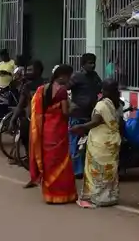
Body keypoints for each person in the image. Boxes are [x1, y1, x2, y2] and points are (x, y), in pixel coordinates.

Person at [28, 64, 77, 204]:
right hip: (58, 130)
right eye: (68, 77)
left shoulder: (43, 89)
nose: (69, 80)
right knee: (61, 161)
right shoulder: (62, 91)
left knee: (49, 161)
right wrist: (73, 108)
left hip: (46, 129)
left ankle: (49, 194)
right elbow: (65, 112)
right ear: (62, 76)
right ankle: (62, 194)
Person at [71, 79, 124, 208]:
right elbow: (121, 123)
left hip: (99, 141)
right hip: (113, 141)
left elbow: (95, 121)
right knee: (110, 171)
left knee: (97, 170)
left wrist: (81, 127)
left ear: (104, 90)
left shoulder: (102, 105)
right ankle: (110, 197)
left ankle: (97, 197)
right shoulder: (119, 104)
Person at [68, 53, 102, 178]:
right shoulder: (76, 76)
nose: (92, 65)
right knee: (75, 144)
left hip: (91, 115)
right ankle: (77, 171)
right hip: (77, 115)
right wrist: (69, 103)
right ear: (83, 64)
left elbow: (101, 89)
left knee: (91, 143)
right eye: (89, 63)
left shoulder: (95, 76)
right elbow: (63, 89)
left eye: (93, 63)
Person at [9, 60, 45, 171]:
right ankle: (31, 161)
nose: (27, 72)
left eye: (30, 70)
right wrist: (13, 119)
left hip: (45, 120)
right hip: (31, 119)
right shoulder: (27, 86)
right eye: (27, 70)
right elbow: (20, 105)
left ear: (38, 70)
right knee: (26, 140)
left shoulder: (46, 85)